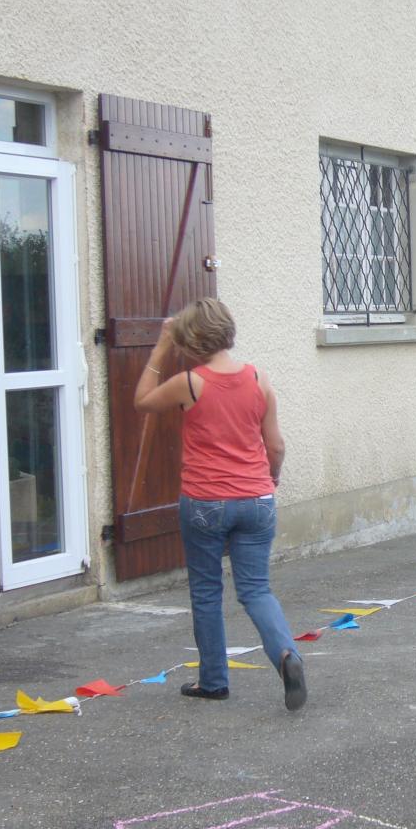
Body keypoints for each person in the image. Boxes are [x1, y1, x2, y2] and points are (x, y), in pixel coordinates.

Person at [134, 298, 306, 711]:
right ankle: (286, 655)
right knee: (256, 589)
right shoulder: (259, 378)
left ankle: (213, 681)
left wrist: (160, 347)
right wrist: (272, 478)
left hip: (205, 502)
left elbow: (142, 401)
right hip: (258, 498)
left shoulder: (190, 382)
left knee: (207, 591)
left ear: (189, 340)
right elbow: (275, 445)